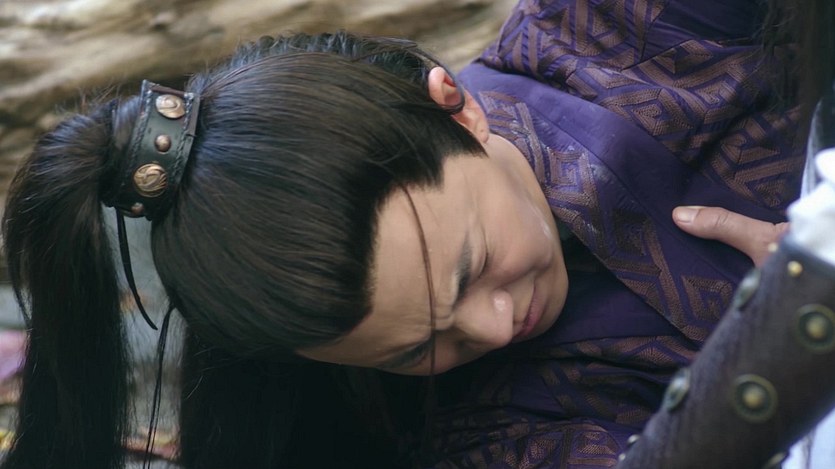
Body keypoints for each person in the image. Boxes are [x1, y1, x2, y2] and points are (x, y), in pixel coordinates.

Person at [0, 1, 828, 469]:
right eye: (414, 349)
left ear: (455, 111)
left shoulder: (626, 22)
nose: (493, 325)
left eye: (471, 267)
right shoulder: (483, 436)